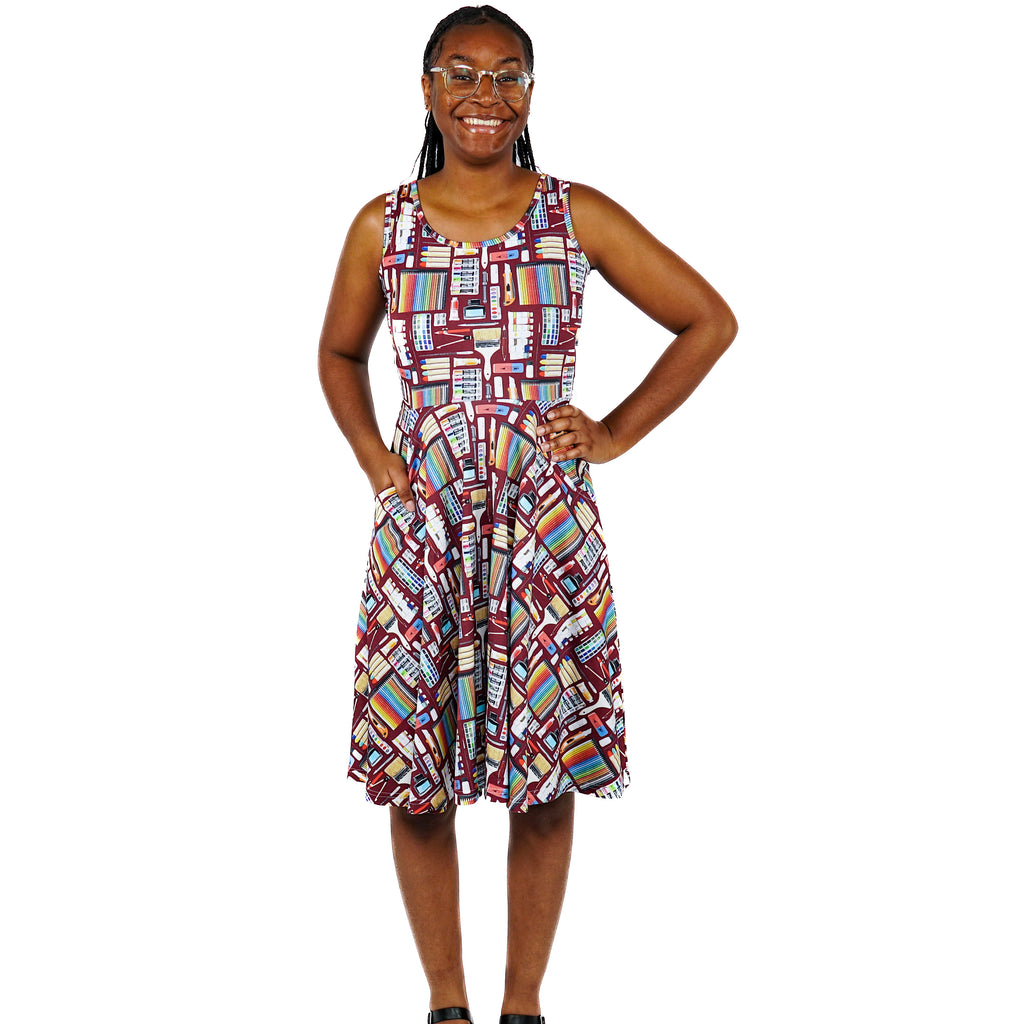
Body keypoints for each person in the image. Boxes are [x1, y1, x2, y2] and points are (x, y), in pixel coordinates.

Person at [317, 6, 738, 1023]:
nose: (485, 93)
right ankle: (446, 1003)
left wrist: (615, 431)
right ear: (426, 89)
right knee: (416, 774)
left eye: (508, 74)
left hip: (540, 529)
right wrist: (376, 458)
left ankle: (522, 1005)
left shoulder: (573, 214)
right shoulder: (383, 224)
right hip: (425, 529)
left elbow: (707, 320)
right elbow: (338, 352)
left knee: (542, 773)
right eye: (461, 72)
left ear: (531, 94)